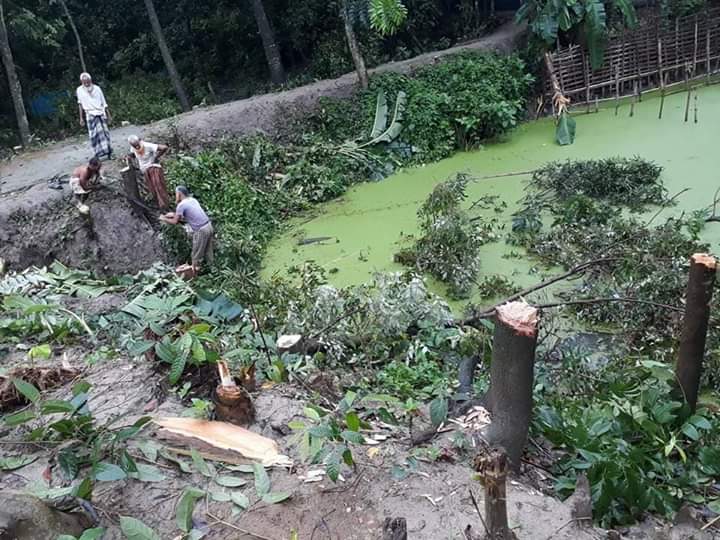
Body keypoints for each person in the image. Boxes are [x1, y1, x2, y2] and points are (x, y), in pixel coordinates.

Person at [160, 186, 214, 273]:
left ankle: (194, 275)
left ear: (179, 194)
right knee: (208, 251)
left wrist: (163, 218)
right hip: (209, 226)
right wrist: (174, 214)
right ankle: (213, 271)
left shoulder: (181, 205)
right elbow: (189, 216)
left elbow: (174, 222)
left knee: (196, 254)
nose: (175, 196)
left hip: (201, 230)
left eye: (176, 194)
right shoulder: (193, 200)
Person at [76, 73, 113, 160]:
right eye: (84, 82)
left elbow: (104, 103)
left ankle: (109, 152)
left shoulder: (97, 88)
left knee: (105, 134)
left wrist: (109, 115)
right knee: (94, 136)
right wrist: (81, 118)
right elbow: (80, 104)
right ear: (82, 82)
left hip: (100, 113)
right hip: (90, 115)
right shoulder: (79, 90)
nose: (86, 84)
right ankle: (97, 154)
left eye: (88, 82)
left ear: (90, 80)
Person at [127, 135, 170, 208]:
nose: (136, 147)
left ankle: (165, 205)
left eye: (137, 145)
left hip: (153, 168)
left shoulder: (148, 145)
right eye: (134, 146)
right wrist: (129, 158)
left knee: (158, 187)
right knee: (152, 188)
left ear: (140, 141)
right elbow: (133, 154)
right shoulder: (133, 148)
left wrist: (156, 157)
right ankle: (158, 204)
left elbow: (164, 148)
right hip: (145, 170)